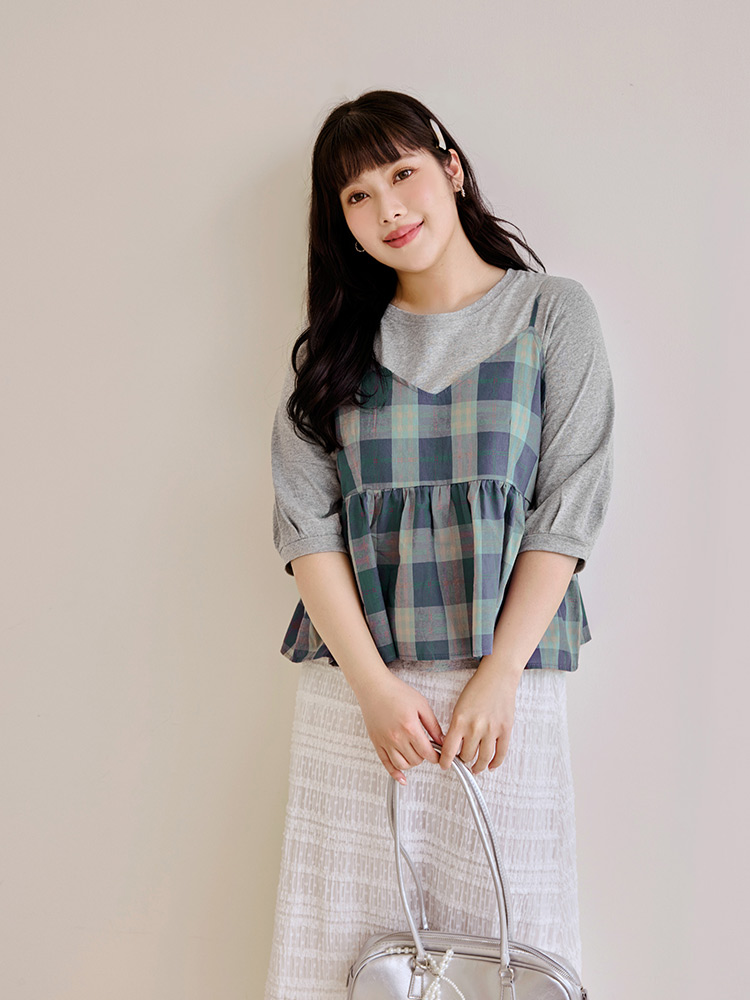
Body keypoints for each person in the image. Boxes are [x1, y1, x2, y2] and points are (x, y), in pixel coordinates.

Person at [264, 89, 614, 1000]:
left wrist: (500, 671)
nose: (388, 208)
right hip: (361, 696)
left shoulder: (551, 314)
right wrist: (373, 689)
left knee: (515, 945)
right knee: (341, 940)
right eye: (357, 196)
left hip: (505, 688)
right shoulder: (334, 352)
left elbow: (567, 507)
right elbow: (308, 532)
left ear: (451, 170)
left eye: (402, 173)